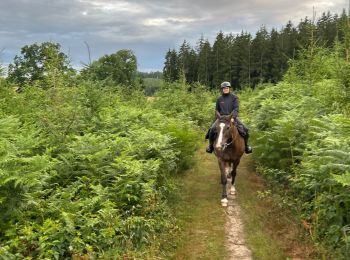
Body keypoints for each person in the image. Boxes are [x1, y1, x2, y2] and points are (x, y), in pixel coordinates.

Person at [206, 81, 252, 154]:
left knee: (245, 129)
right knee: (211, 130)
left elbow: (236, 108)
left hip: (232, 117)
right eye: (224, 88)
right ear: (222, 89)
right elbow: (217, 110)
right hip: (221, 119)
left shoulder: (234, 97)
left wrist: (233, 117)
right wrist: (218, 117)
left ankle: (246, 146)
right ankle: (210, 146)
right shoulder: (219, 99)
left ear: (229, 88)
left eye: (227, 88)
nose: (225, 89)